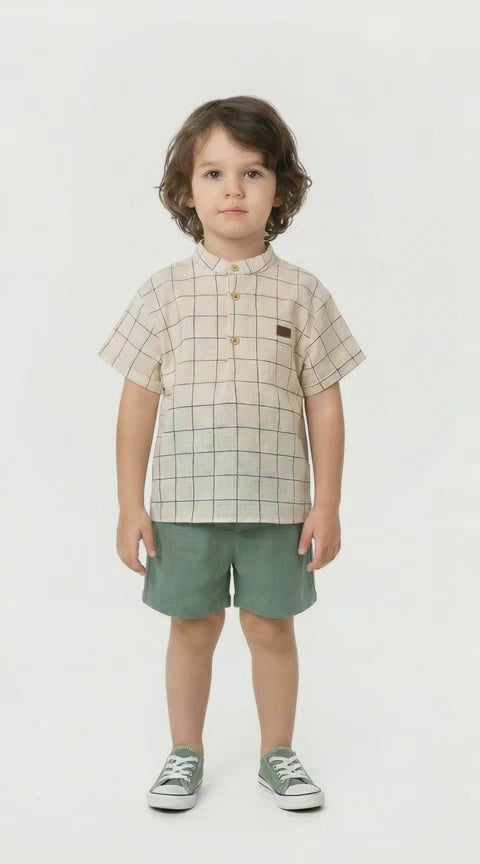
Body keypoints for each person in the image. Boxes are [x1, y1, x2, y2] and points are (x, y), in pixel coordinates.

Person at [97, 95, 367, 812]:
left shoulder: (304, 293)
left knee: (270, 627)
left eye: (252, 173)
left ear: (281, 188)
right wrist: (131, 505)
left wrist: (328, 502)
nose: (233, 190)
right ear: (188, 191)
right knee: (193, 627)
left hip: (278, 504)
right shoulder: (162, 293)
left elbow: (325, 403)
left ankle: (278, 753)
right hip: (184, 503)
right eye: (214, 174)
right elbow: (136, 405)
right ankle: (185, 752)